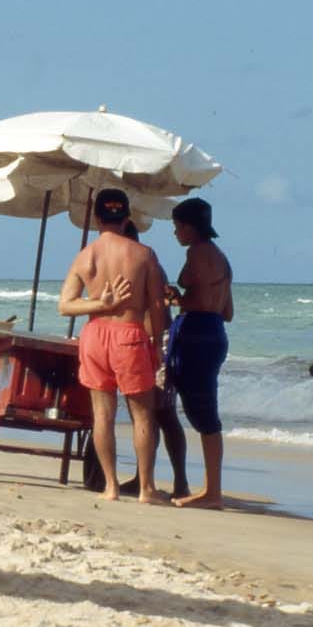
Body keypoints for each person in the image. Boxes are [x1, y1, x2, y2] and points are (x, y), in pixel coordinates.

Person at [59, 190, 165, 504]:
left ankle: (111, 486)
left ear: (96, 218)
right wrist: (157, 344)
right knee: (142, 416)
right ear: (127, 218)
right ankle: (146, 488)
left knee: (102, 415)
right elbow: (157, 306)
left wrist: (99, 304)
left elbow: (65, 305)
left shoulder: (85, 256)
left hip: (94, 336)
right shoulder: (143, 254)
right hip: (129, 335)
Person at [166, 197, 233, 510]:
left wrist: (177, 298)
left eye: (177, 226)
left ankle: (213, 493)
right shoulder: (222, 259)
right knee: (206, 412)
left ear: (190, 227)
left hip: (197, 334)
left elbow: (196, 299)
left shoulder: (197, 252)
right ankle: (212, 488)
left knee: (202, 414)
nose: (175, 232)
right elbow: (227, 311)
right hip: (216, 332)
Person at [117, 220, 190, 500]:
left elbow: (156, 306)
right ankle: (143, 477)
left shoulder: (147, 263)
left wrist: (157, 345)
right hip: (141, 341)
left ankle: (180, 482)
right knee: (144, 413)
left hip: (157, 341)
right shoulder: (135, 263)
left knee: (164, 413)